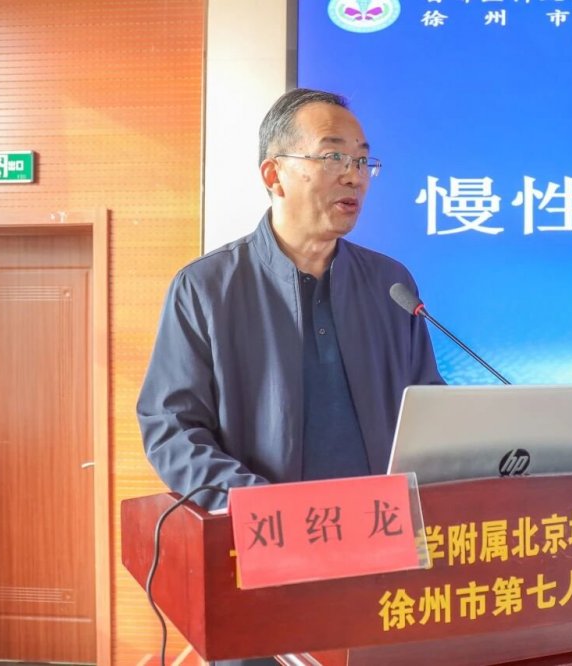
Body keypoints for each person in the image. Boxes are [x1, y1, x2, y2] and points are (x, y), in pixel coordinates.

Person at [136, 89, 443, 662]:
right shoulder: (207, 288)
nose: (354, 176)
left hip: (382, 560)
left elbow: (429, 407)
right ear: (273, 174)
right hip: (261, 560)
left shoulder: (390, 284)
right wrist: (263, 509)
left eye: (363, 160)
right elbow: (171, 430)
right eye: (333, 156)